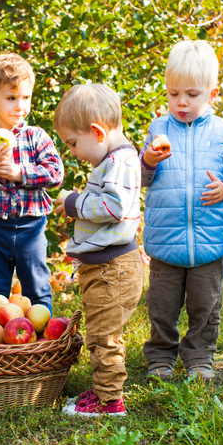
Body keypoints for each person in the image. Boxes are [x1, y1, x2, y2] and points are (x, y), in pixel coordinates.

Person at [140, 40, 223, 381]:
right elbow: (141, 177)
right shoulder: (158, 129)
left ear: (212, 94)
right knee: (161, 306)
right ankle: (161, 355)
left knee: (206, 305)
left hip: (209, 238)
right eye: (173, 94)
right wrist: (148, 162)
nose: (181, 102)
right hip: (166, 238)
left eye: (192, 94)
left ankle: (199, 355)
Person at [53, 83, 144, 417]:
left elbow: (113, 207)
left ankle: (110, 402)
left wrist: (75, 202)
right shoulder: (113, 160)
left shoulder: (119, 162)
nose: (74, 152)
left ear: (96, 131)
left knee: (104, 337)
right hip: (105, 267)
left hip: (112, 269)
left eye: (74, 143)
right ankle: (103, 390)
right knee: (99, 332)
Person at [0, 53, 64, 311]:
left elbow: (55, 173)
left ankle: (45, 342)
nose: (20, 106)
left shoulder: (36, 137)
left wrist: (20, 173)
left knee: (37, 287)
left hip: (31, 226)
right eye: (11, 98)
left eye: (26, 98)